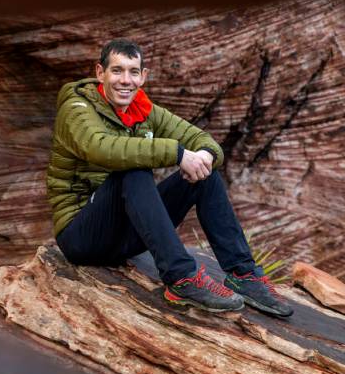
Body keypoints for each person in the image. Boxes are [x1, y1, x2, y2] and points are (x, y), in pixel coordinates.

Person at [46, 39, 293, 317]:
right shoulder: (77, 107)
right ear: (100, 73)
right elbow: (100, 147)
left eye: (133, 71)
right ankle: (181, 278)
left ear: (143, 76)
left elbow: (202, 139)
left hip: (126, 239)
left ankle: (243, 274)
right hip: (82, 237)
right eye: (117, 71)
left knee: (204, 175)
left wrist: (204, 156)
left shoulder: (143, 110)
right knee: (133, 170)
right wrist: (177, 153)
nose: (125, 80)